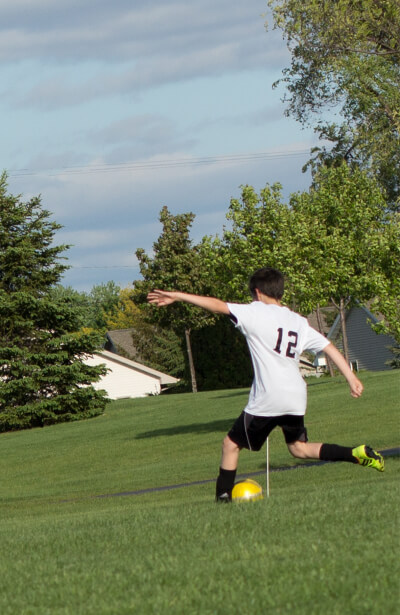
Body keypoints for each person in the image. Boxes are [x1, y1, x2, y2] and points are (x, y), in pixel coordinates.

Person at [147, 267, 384, 502]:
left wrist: (178, 295)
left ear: (257, 292)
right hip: (296, 396)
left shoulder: (255, 311)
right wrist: (351, 378)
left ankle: (222, 500)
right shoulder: (298, 321)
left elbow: (217, 304)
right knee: (298, 449)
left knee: (230, 445)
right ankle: (355, 454)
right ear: (280, 292)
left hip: (269, 397)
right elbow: (328, 347)